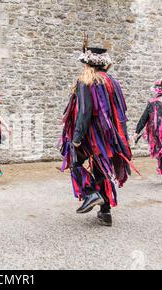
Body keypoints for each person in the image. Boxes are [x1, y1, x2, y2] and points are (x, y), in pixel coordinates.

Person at [59, 34, 137, 227]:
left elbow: (84, 112)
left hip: (92, 135)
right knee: (102, 169)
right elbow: (120, 112)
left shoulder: (85, 80)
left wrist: (76, 138)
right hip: (110, 137)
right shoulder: (113, 82)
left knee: (74, 159)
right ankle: (106, 212)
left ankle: (91, 193)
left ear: (87, 63)